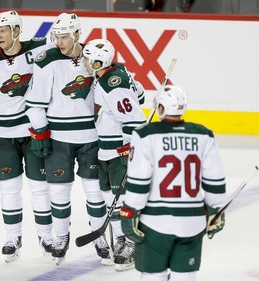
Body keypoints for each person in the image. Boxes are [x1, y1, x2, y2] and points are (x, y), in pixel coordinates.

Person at [0, 10, 55, 263]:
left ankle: (46, 236)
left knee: (40, 188)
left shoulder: (38, 50)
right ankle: (12, 237)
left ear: (17, 30)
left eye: (3, 31)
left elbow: (66, 46)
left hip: (33, 131)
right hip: (3, 134)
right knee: (9, 188)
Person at [25, 12, 110, 265]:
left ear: (77, 35)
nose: (58, 42)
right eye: (56, 37)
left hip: (91, 137)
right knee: (59, 192)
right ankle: (61, 236)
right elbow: (34, 105)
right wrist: (40, 132)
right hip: (58, 138)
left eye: (63, 37)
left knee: (94, 191)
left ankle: (99, 235)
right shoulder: (46, 61)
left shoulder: (94, 55)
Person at [120, 85, 227, 281]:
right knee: (185, 277)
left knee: (153, 276)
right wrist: (217, 209)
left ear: (160, 108)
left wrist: (130, 211)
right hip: (193, 222)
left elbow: (139, 180)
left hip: (155, 222)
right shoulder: (204, 134)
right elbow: (215, 180)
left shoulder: (145, 134)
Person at [82, 39, 146, 272]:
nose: (85, 63)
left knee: (126, 198)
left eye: (89, 59)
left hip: (118, 149)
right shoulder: (113, 73)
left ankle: (132, 243)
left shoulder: (112, 84)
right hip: (106, 148)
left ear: (100, 61)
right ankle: (120, 238)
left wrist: (129, 147)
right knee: (110, 196)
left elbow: (135, 119)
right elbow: (139, 96)